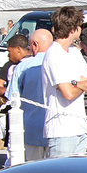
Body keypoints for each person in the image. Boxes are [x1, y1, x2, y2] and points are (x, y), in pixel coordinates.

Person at [41, 7, 87, 158]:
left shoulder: (73, 52)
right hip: (61, 132)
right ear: (74, 29)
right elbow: (68, 93)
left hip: (80, 128)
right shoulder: (54, 54)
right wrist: (79, 83)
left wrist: (75, 83)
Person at [11, 29, 52, 163]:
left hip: (31, 131)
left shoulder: (23, 67)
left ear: (35, 44)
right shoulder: (62, 64)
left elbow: (13, 98)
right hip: (56, 130)